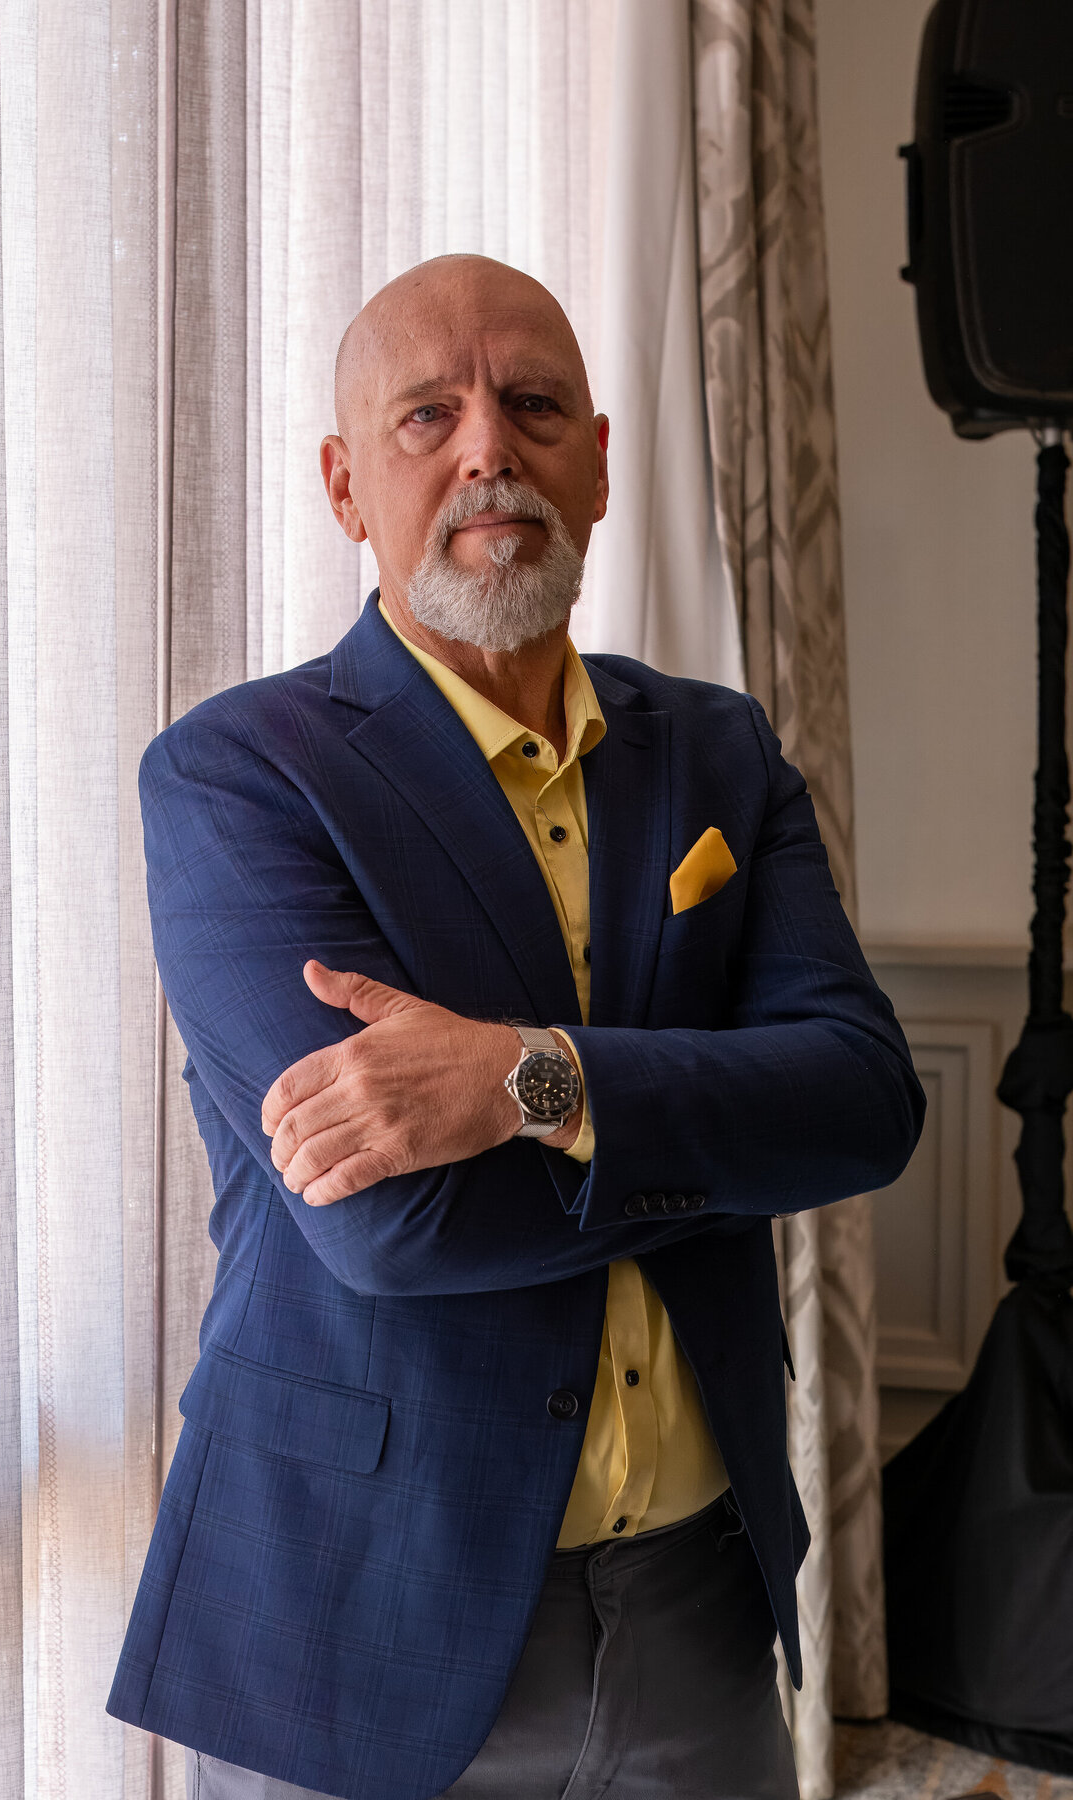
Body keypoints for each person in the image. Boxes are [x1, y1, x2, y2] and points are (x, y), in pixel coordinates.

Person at [107, 254, 925, 1800]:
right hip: (357, 1604)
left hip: (697, 1600)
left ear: (602, 462)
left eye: (534, 405)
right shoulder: (234, 777)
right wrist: (704, 1125)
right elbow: (394, 1224)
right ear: (349, 486)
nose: (491, 446)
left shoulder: (720, 751)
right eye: (431, 415)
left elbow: (865, 1102)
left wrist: (520, 1080)